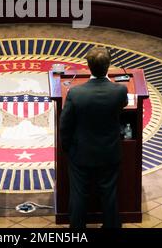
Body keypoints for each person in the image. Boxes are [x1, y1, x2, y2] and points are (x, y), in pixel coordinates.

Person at [59, 47, 128, 230]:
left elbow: (65, 126)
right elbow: (122, 107)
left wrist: (68, 149)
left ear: (88, 66)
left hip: (81, 155)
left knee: (79, 197)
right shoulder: (120, 91)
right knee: (109, 196)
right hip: (109, 153)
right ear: (108, 66)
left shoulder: (75, 93)